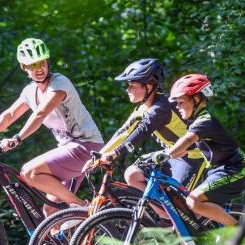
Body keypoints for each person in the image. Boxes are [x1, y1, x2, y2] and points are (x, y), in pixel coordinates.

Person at [0, 38, 104, 216]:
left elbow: (40, 114)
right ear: (24, 67)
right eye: (32, 65)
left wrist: (17, 138)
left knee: (30, 172)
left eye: (41, 63)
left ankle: (83, 206)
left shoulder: (59, 84)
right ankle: (79, 238)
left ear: (47, 62)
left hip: (86, 146)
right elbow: (9, 115)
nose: (38, 69)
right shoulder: (29, 92)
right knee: (51, 212)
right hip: (68, 150)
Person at [149, 73, 245, 245]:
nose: (177, 108)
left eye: (180, 102)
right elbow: (186, 148)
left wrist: (164, 154)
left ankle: (238, 229)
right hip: (217, 171)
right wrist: (159, 154)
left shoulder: (204, 121)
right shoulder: (197, 121)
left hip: (233, 171)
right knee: (186, 204)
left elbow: (183, 144)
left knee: (193, 201)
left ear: (196, 99)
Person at [85, 58, 206, 199]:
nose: (127, 89)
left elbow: (141, 131)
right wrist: (100, 155)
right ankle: (160, 217)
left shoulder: (161, 108)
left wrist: (115, 153)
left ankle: (170, 216)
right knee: (132, 175)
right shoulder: (143, 109)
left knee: (178, 202)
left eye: (132, 86)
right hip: (172, 155)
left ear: (148, 86)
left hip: (193, 157)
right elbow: (124, 132)